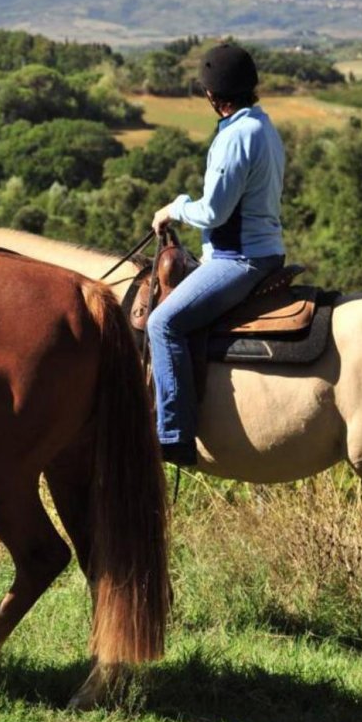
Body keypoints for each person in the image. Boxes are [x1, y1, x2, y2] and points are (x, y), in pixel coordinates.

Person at [147, 43, 286, 467]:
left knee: (162, 323)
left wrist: (174, 207)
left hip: (238, 259)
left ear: (212, 95)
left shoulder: (236, 137)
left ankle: (172, 434)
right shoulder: (263, 125)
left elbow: (213, 211)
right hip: (258, 251)